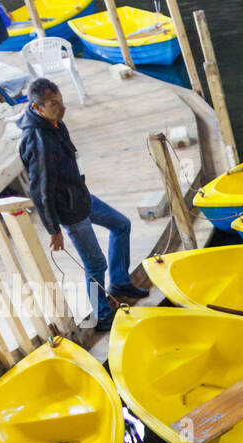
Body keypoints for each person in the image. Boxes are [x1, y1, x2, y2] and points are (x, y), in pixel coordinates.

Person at [18, 78, 148, 332]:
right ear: (37, 108)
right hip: (69, 209)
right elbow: (40, 189)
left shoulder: (55, 123)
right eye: (53, 104)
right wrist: (53, 229)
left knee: (121, 225)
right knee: (96, 263)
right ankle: (100, 314)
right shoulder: (37, 140)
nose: (61, 106)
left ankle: (120, 283)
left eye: (61, 100)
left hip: (82, 196)